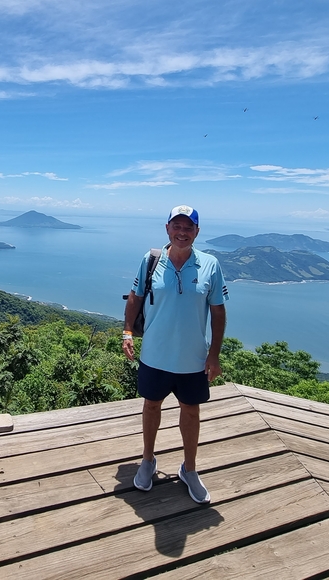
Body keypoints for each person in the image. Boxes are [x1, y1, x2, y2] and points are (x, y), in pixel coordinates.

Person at [123, 205, 228, 503]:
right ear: (167, 228)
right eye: (176, 226)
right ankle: (147, 460)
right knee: (151, 407)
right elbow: (135, 297)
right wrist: (127, 332)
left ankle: (190, 469)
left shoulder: (210, 265)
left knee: (191, 411)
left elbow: (219, 312)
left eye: (188, 227)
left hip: (193, 358)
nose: (182, 232)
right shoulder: (152, 260)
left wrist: (214, 355)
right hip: (155, 355)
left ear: (197, 231)